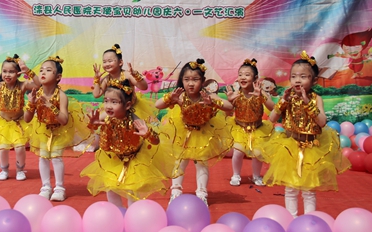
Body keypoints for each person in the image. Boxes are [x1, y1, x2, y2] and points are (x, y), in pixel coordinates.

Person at [263, 51, 351, 217]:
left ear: (314, 80)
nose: (297, 80)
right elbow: (272, 118)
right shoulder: (287, 98)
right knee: (291, 187)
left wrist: (308, 103)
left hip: (311, 148)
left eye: (303, 76)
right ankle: (291, 217)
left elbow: (322, 122)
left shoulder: (316, 99)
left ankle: (309, 220)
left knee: (308, 189)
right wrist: (282, 102)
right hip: (290, 147)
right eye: (294, 76)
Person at [81, 79, 171, 207]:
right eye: (106, 101)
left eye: (114, 102)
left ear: (127, 105)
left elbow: (156, 141)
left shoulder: (135, 120)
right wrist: (93, 125)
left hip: (134, 159)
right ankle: (117, 211)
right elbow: (90, 130)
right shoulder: (105, 116)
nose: (108, 106)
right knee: (111, 188)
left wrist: (147, 133)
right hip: (114, 159)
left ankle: (133, 214)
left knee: (132, 190)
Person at [156, 59, 234, 205]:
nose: (190, 83)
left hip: (202, 135)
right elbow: (157, 105)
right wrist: (169, 98)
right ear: (182, 80)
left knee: (201, 164)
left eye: (195, 79)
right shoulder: (179, 95)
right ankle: (175, 192)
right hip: (182, 134)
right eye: (186, 79)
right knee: (179, 162)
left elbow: (229, 107)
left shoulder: (207, 95)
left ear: (203, 81)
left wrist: (213, 102)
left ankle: (202, 193)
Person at [24, 56, 90, 202]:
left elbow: (64, 120)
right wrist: (31, 104)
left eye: (48, 70)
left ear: (58, 77)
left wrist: (51, 106)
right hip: (42, 130)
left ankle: (59, 188)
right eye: (41, 70)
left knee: (56, 157)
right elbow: (27, 119)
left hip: (59, 130)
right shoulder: (37, 94)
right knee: (43, 156)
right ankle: (45, 187)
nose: (43, 72)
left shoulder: (61, 96)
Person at [0, 54, 40, 181]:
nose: (7, 74)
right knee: (3, 148)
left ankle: (20, 170)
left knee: (20, 148)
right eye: (4, 71)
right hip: (3, 122)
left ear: (18, 73)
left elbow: (38, 85)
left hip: (18, 122)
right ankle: (4, 169)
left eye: (11, 72)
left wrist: (28, 71)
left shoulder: (22, 85)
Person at [225, 58, 274, 186]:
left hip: (257, 129)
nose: (243, 77)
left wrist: (262, 97)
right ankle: (236, 175)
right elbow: (228, 112)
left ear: (255, 78)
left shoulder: (260, 93)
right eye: (240, 74)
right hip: (239, 129)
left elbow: (273, 108)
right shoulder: (236, 94)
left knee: (258, 154)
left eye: (247, 75)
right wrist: (229, 101)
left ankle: (256, 176)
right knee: (238, 152)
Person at [92, 44, 154, 120]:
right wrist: (97, 80)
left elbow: (144, 87)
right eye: (104, 62)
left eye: (110, 61)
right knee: (97, 120)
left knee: (136, 124)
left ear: (120, 62)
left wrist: (136, 75)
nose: (107, 64)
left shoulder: (127, 75)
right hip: (114, 108)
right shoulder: (106, 79)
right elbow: (96, 94)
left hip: (130, 108)